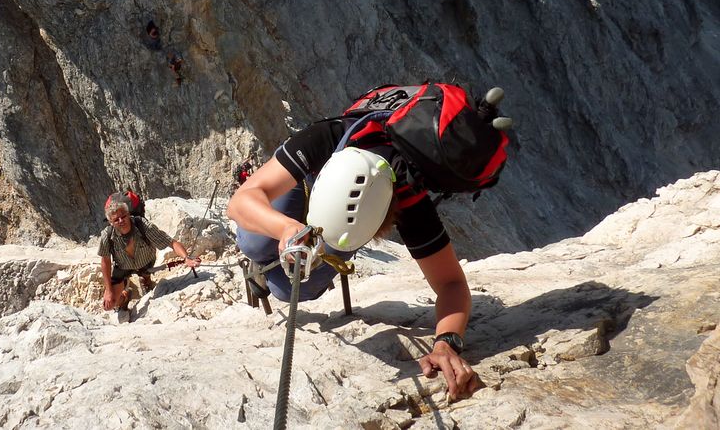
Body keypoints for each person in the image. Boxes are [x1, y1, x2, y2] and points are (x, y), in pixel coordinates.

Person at [227, 111, 485, 402]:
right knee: (253, 242)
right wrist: (285, 227)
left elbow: (451, 283)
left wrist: (446, 343)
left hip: (350, 216)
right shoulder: (325, 138)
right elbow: (240, 203)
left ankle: (285, 266)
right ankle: (262, 254)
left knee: (290, 289)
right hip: (304, 180)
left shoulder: (411, 202)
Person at [99, 192, 200, 311]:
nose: (121, 221)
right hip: (122, 267)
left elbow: (171, 242)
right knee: (109, 305)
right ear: (111, 222)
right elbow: (105, 261)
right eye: (116, 219)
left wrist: (186, 258)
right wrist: (109, 290)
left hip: (145, 262)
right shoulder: (107, 235)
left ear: (129, 214)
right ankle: (126, 296)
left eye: (124, 216)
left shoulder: (142, 225)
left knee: (145, 273)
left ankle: (145, 279)